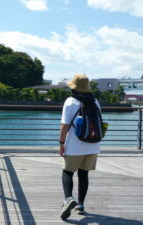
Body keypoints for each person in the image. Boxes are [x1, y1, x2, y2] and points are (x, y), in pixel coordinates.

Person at [59, 74, 101, 220]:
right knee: (84, 174)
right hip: (93, 144)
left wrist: (61, 143)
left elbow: (65, 125)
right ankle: (81, 205)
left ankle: (68, 199)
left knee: (67, 172)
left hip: (75, 145)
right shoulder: (95, 101)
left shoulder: (70, 101)